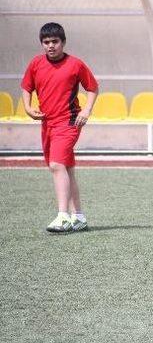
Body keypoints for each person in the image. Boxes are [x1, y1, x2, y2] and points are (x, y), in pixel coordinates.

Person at [21, 22, 99, 233]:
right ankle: (79, 217)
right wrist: (28, 108)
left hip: (69, 121)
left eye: (55, 41)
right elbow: (26, 87)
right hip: (48, 123)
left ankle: (63, 216)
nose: (51, 46)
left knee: (57, 165)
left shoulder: (76, 64)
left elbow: (92, 87)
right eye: (46, 42)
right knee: (66, 169)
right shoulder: (35, 64)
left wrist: (86, 111)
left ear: (63, 42)